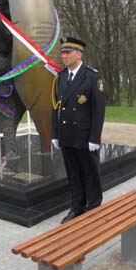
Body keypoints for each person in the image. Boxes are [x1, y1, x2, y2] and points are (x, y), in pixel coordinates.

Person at [51, 37, 106, 223]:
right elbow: (55, 106)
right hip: (66, 135)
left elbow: (98, 111)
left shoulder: (92, 77)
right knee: (73, 173)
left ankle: (94, 207)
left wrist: (95, 138)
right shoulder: (61, 77)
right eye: (63, 53)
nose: (64, 56)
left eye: (68, 52)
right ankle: (77, 206)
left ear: (79, 54)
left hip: (84, 137)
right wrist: (55, 134)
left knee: (90, 173)